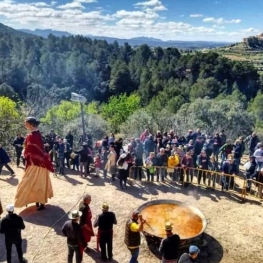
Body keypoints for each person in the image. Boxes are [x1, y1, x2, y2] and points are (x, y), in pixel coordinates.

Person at [14, 117, 54, 211]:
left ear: (31, 124)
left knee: (35, 183)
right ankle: (38, 201)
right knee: (34, 183)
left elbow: (33, 149)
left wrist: (26, 151)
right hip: (36, 163)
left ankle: (41, 202)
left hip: (37, 164)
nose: (25, 124)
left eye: (26, 123)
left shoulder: (33, 135)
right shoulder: (35, 133)